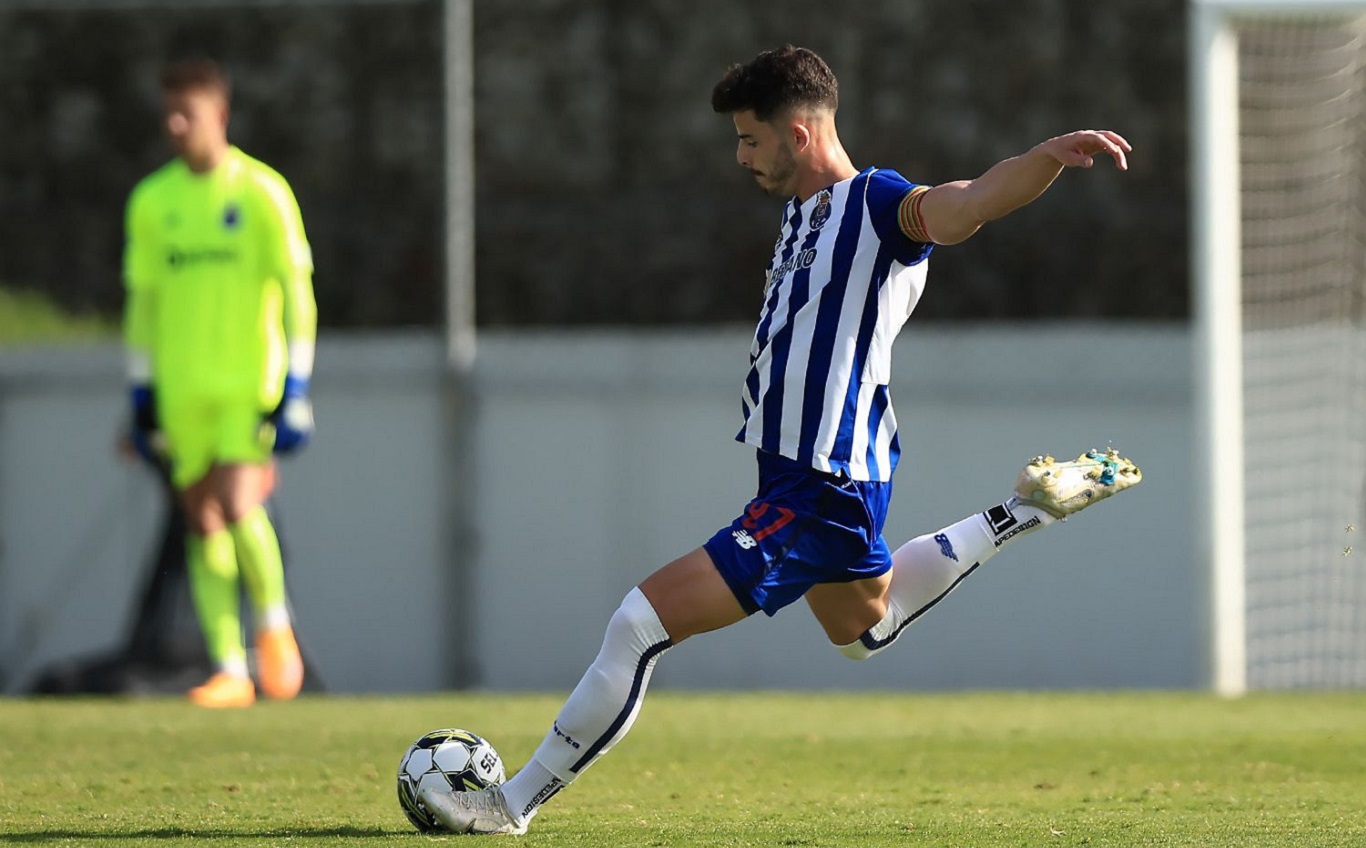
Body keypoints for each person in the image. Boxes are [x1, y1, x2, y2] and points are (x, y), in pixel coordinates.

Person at [420, 45, 1142, 834]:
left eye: (749, 139)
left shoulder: (877, 205)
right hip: (807, 478)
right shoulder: (804, 215)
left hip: (822, 481)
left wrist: (1046, 158)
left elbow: (970, 202)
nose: (741, 157)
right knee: (864, 631)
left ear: (798, 134)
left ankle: (510, 804)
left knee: (639, 623)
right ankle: (1025, 510)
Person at [122, 58, 317, 709]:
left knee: (238, 503)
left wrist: (296, 386)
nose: (176, 126)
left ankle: (275, 626)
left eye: (189, 114)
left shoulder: (262, 192)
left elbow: (297, 292)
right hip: (182, 390)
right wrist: (141, 393)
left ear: (220, 115)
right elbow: (143, 305)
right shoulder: (153, 201)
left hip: (248, 383)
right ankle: (230, 668)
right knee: (201, 519)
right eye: (169, 115)